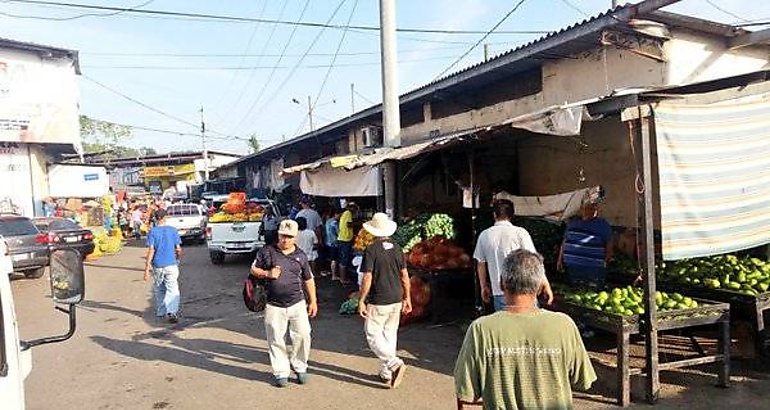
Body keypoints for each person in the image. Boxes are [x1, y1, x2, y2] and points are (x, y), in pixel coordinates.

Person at [454, 250, 597, 409]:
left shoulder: (481, 329)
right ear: (539, 286)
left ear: (502, 283)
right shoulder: (564, 325)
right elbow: (582, 381)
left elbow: (466, 393)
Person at [250, 219, 318, 388]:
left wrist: (313, 301)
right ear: (278, 235)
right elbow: (253, 270)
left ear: (295, 237)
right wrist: (267, 273)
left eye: (289, 237)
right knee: (276, 338)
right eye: (282, 236)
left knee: (303, 334)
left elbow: (308, 279)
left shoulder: (301, 256)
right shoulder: (266, 252)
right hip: (273, 304)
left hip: (297, 303)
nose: (285, 240)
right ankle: (281, 371)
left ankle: (300, 366)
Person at [357, 213, 412, 389]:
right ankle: (386, 372)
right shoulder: (397, 248)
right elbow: (405, 275)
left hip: (379, 298)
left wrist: (361, 299)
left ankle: (393, 363)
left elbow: (367, 276)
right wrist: (407, 297)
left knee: (372, 333)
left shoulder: (371, 250)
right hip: (396, 297)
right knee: (389, 334)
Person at [473, 199, 553, 311]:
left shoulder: (484, 235)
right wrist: (545, 284)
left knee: (504, 327)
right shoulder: (520, 233)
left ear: (494, 214)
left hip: (499, 292)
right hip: (524, 291)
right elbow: (534, 261)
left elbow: (480, 263)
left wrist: (483, 286)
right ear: (512, 215)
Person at [557, 189, 613, 288]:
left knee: (592, 291)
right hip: (572, 267)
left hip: (593, 268)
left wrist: (606, 261)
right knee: (575, 291)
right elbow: (565, 242)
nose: (592, 209)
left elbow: (609, 244)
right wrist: (560, 260)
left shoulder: (602, 224)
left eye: (594, 207)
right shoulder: (572, 223)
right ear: (582, 208)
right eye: (589, 207)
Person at [143, 209, 183, 323]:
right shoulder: (173, 230)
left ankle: (161, 311)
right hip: (171, 263)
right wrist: (178, 256)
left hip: (158, 264)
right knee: (172, 288)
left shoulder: (152, 232)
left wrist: (146, 268)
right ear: (166, 218)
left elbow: (151, 250)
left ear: (156, 218)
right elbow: (178, 249)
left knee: (159, 287)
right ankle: (172, 311)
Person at [337, 202, 359, 284]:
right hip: (344, 240)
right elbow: (349, 224)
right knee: (344, 259)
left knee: (343, 259)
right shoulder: (348, 213)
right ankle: (343, 279)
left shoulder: (345, 213)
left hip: (344, 239)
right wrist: (360, 223)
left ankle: (343, 277)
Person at [324, 209, 341, 281]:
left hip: (328, 241)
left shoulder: (328, 221)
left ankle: (333, 273)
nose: (340, 217)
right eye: (340, 215)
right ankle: (334, 275)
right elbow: (338, 232)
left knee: (332, 259)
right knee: (334, 259)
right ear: (336, 214)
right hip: (334, 243)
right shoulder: (334, 222)